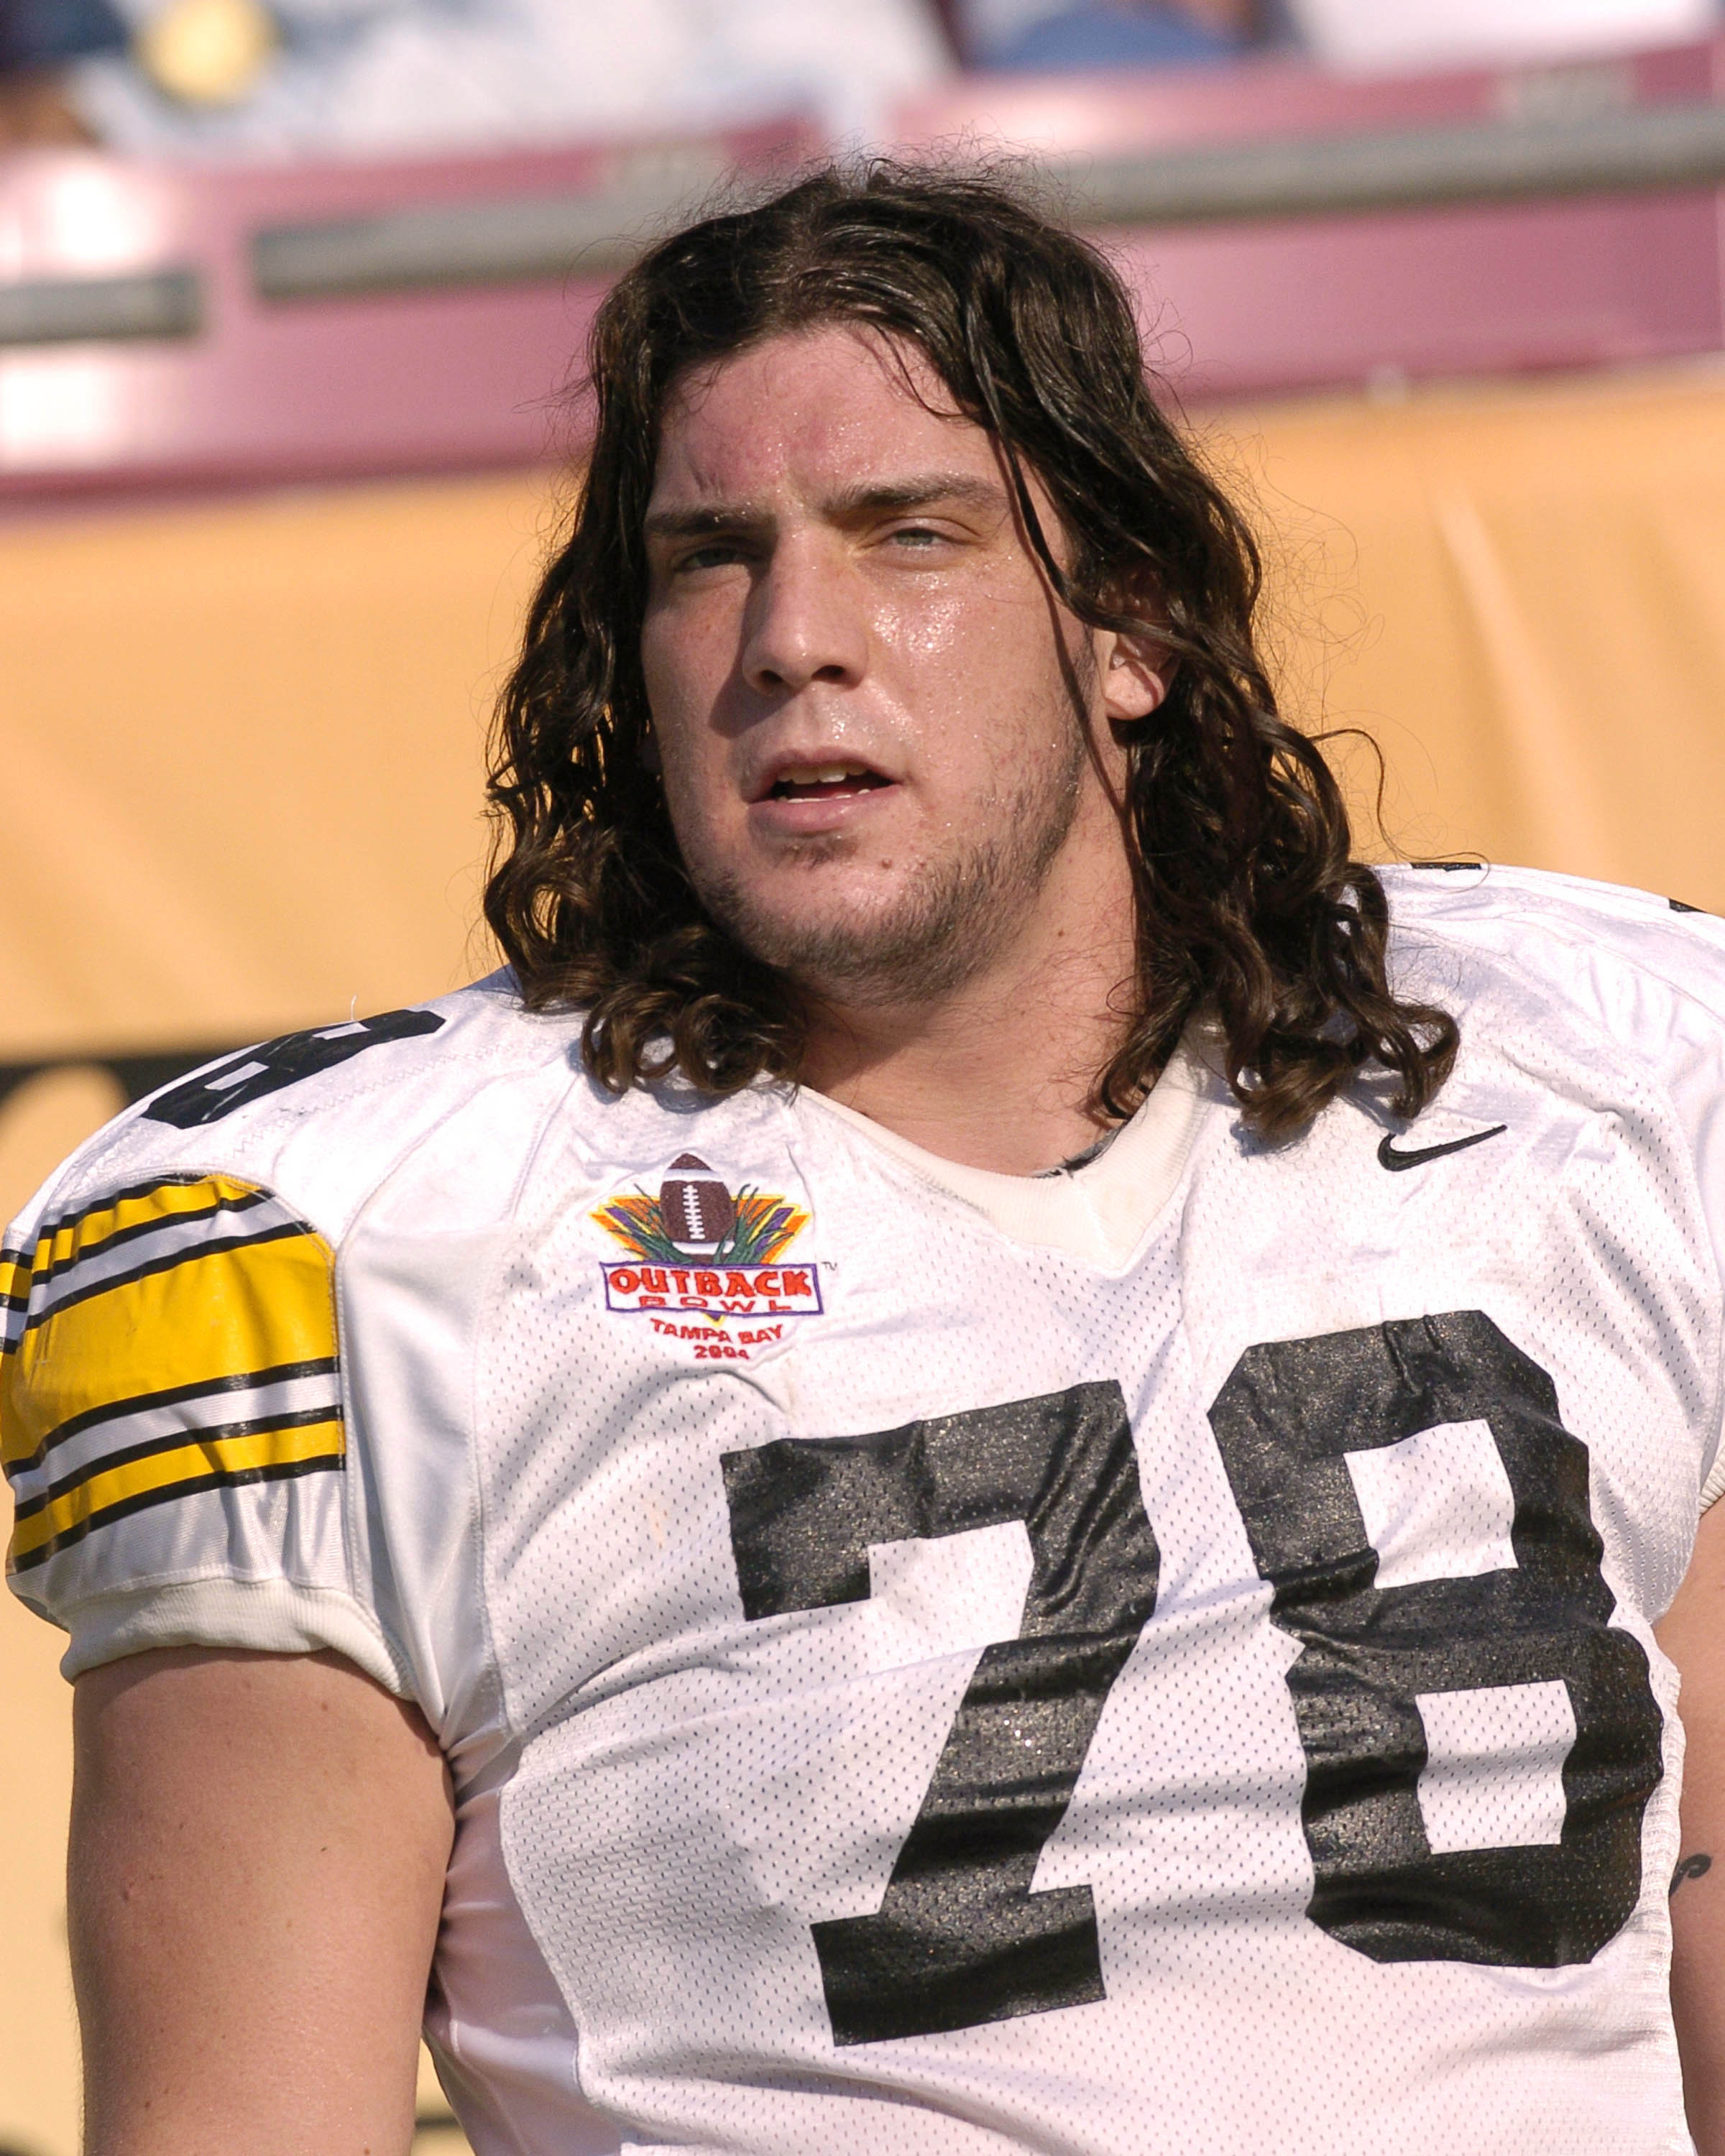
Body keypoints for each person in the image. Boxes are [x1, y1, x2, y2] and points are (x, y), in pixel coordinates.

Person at [4, 162, 1725, 2156]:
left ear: (1133, 627)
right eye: (707, 558)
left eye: (912, 534)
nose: (793, 637)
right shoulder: (370, 1248)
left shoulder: (1608, 1072)